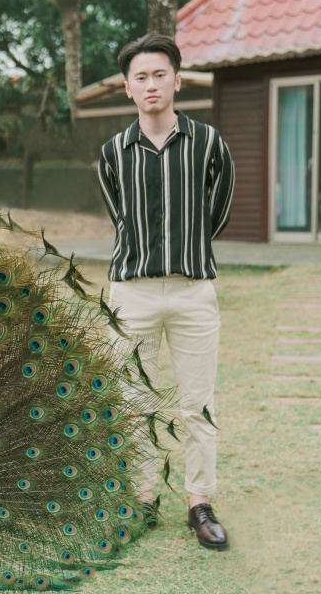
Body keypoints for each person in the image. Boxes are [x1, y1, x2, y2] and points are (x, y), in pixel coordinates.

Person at [97, 34, 235, 550]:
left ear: (177, 81)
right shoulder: (113, 152)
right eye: (140, 77)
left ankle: (200, 503)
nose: (151, 84)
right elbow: (121, 217)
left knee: (197, 405)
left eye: (160, 74)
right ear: (128, 89)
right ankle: (142, 498)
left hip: (193, 291)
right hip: (131, 294)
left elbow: (217, 211)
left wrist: (186, 250)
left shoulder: (209, 143)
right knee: (134, 401)